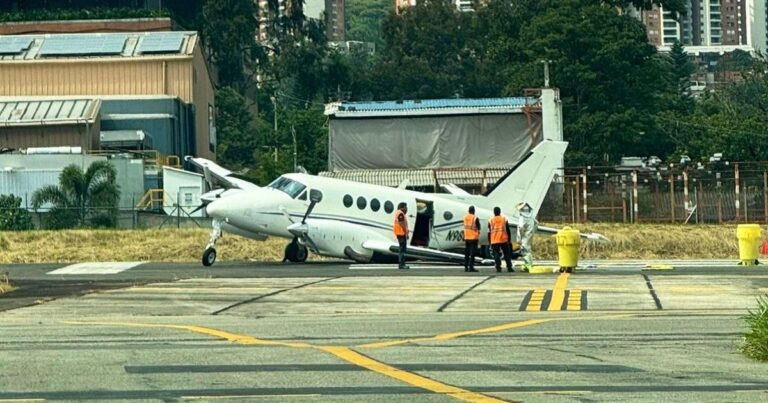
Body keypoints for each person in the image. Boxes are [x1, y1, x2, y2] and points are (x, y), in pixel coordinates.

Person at [488, 206, 514, 272]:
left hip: (494, 240)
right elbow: (508, 230)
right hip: (503, 239)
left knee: (496, 254)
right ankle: (509, 267)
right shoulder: (504, 219)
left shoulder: (490, 220)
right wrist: (509, 239)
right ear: (500, 212)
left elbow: (489, 231)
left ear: (494, 212)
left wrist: (489, 241)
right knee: (506, 254)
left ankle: (498, 268)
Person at [516, 202, 538, 272]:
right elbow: (536, 223)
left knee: (525, 250)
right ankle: (528, 264)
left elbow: (521, 228)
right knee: (528, 250)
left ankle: (528, 265)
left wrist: (520, 238)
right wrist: (532, 232)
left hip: (524, 236)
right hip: (529, 235)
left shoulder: (522, 218)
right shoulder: (531, 217)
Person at [463, 206, 481, 272]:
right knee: (472, 253)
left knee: (467, 253)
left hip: (467, 237)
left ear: (468, 210)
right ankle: (471, 267)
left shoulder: (465, 217)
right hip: (473, 238)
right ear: (474, 211)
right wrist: (478, 233)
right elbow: (478, 227)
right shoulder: (475, 218)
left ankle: (466, 267)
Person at [393, 202, 410, 270]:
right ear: (402, 207)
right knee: (402, 249)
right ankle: (401, 264)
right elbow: (402, 224)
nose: (406, 209)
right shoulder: (400, 214)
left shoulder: (399, 213)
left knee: (402, 248)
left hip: (400, 233)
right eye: (405, 207)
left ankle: (402, 264)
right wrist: (406, 233)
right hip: (401, 233)